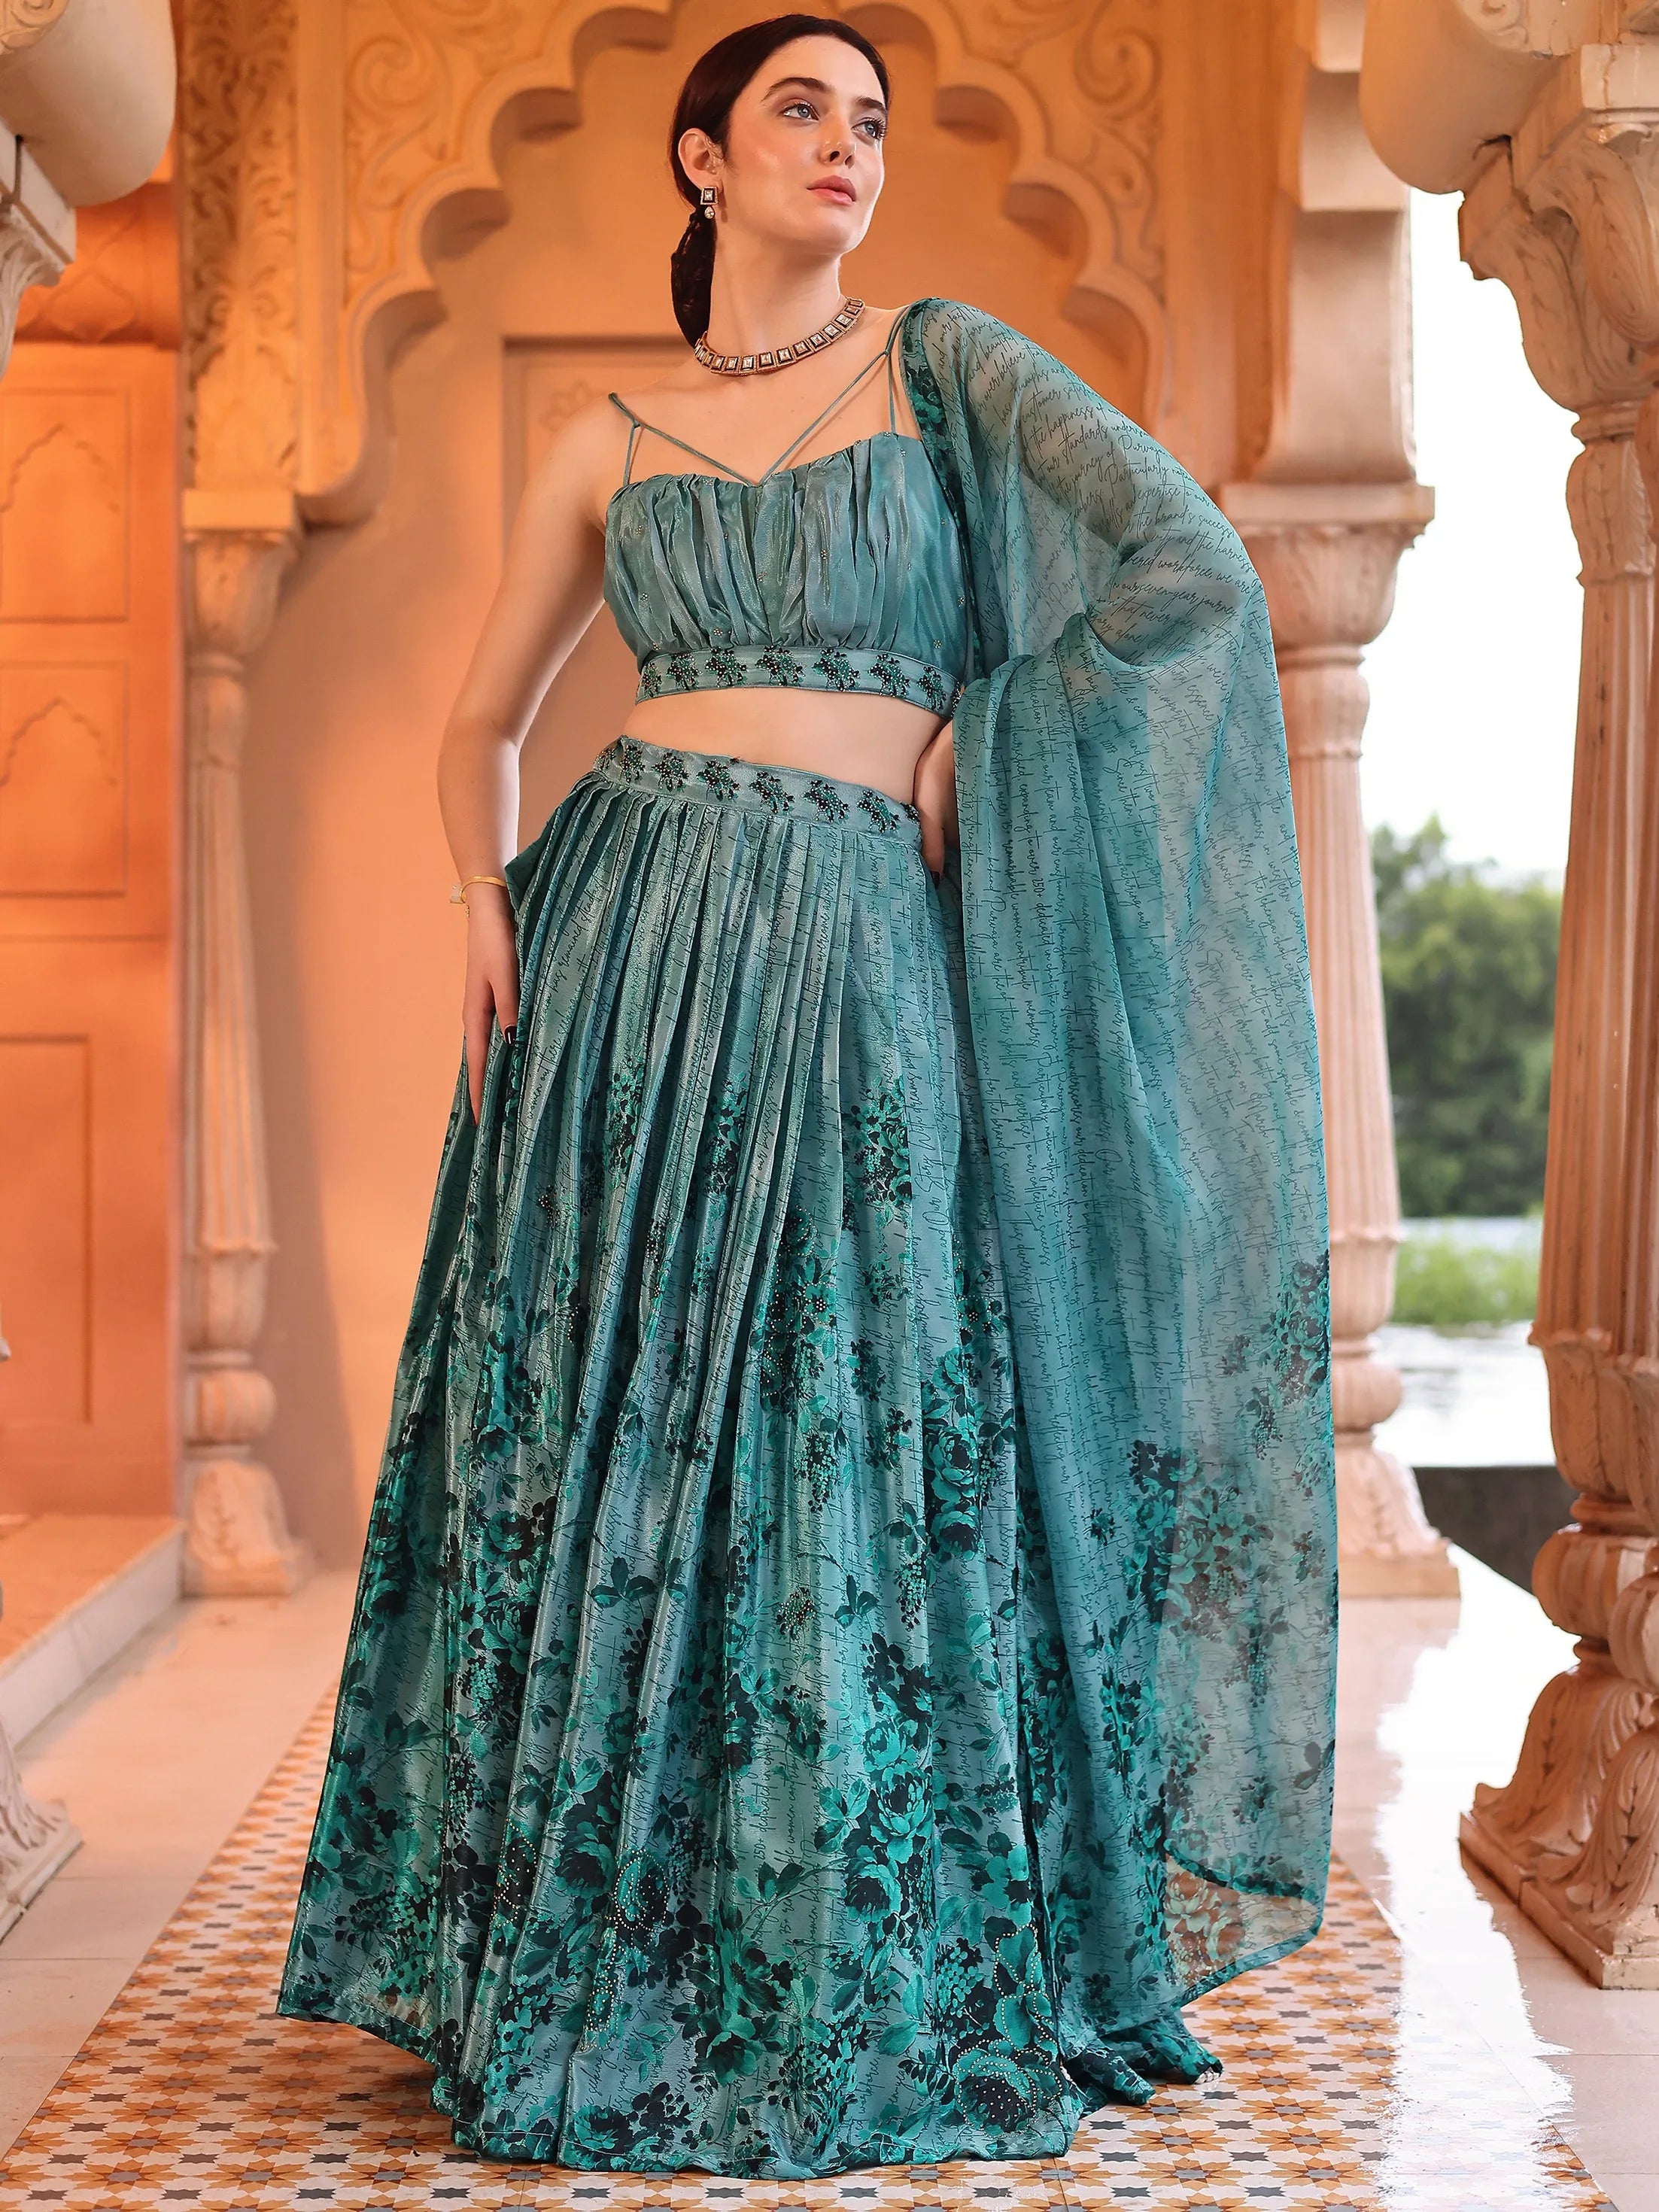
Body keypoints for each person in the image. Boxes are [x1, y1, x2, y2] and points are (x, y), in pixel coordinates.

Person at [279, 13, 1338, 2179]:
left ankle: (839, 1946)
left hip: (868, 964)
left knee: (867, 1419)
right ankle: (603, 1943)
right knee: (626, 1436)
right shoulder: (603, 435)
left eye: (870, 120)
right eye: (800, 113)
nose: (848, 148)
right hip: (633, 964)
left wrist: (998, 725)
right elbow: (484, 713)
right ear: (702, 160)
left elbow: (1191, 567)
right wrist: (482, 906)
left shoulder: (943, 368)